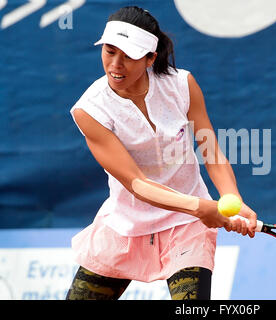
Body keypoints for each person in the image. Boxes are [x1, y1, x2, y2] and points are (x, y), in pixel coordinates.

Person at [65, 6, 257, 300]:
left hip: (186, 229)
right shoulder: (89, 110)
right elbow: (136, 184)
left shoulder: (182, 85)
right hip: (124, 226)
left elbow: (210, 148)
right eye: (109, 50)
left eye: (128, 56)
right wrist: (200, 207)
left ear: (150, 58)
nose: (115, 64)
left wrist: (234, 198)